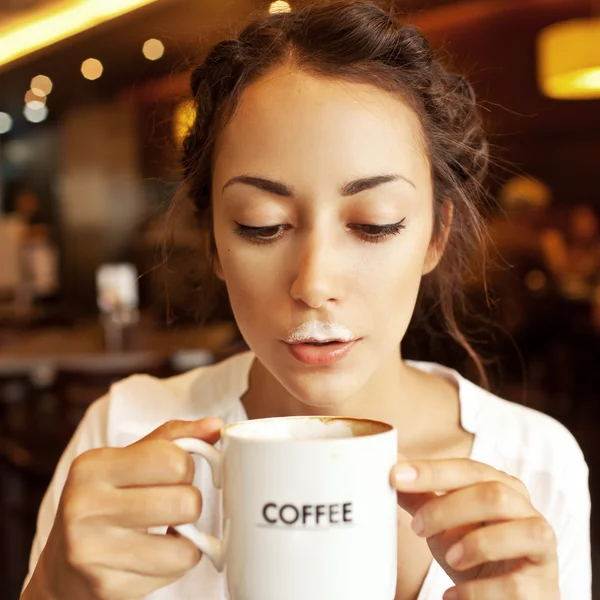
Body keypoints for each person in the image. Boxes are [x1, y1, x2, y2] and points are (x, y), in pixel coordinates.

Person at [20, 2, 590, 599]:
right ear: (213, 239)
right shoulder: (125, 433)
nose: (314, 284)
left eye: (375, 224)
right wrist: (56, 589)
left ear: (435, 235)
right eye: (261, 225)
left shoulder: (534, 463)